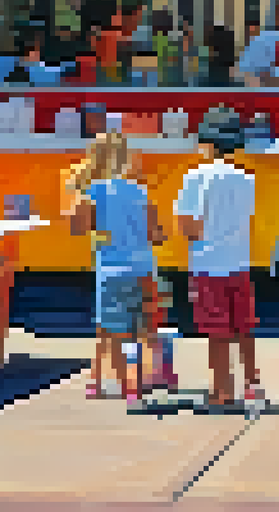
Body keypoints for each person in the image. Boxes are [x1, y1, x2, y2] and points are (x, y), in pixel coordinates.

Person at [68, 132, 165, 409]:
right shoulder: (140, 192)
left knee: (114, 331)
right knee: (136, 329)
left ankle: (128, 387)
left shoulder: (93, 192)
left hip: (112, 270)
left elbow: (78, 227)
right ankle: (124, 380)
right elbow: (156, 235)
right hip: (144, 269)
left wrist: (97, 226)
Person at [175, 106, 262, 409]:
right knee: (244, 328)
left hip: (208, 264)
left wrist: (197, 239)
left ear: (208, 144)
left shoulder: (195, 177)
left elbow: (189, 225)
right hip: (238, 263)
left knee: (218, 332)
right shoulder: (246, 179)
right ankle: (252, 385)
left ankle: (222, 391)